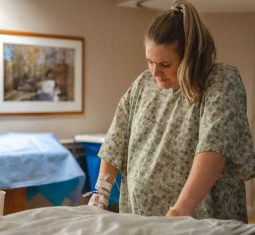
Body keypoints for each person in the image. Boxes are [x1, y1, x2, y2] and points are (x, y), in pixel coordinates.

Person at [87, 0, 255, 223]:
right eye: (150, 61)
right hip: (141, 217)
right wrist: (100, 194)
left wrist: (178, 213)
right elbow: (116, 139)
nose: (155, 72)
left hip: (197, 219)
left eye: (165, 65)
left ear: (192, 57)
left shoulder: (220, 82)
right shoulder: (143, 83)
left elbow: (214, 148)